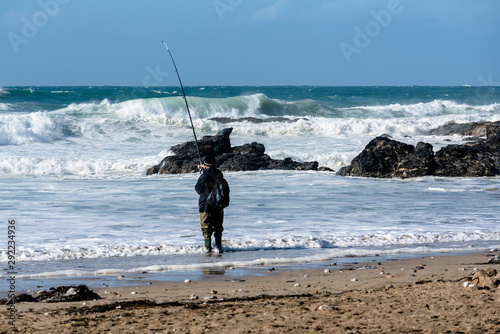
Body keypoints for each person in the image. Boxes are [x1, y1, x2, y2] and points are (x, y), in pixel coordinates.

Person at [195, 155, 225, 253]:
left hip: (206, 206)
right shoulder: (219, 173)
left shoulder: (204, 176)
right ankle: (218, 248)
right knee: (218, 228)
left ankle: (208, 249)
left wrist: (203, 173)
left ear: (205, 165)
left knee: (206, 228)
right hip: (218, 205)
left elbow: (198, 189)